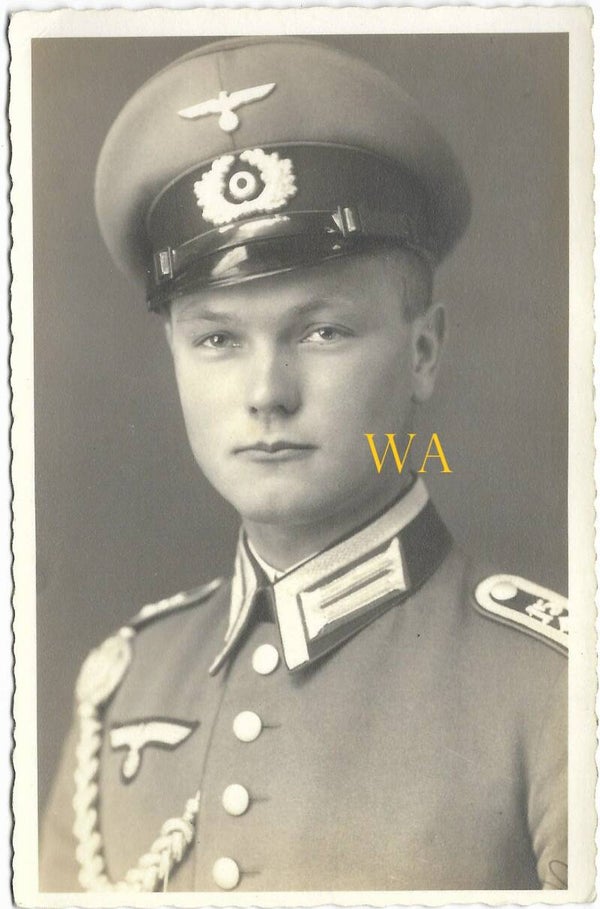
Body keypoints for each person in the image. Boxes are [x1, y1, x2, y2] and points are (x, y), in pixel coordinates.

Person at [39, 36, 568, 894]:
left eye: (322, 331)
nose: (267, 394)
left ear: (424, 352)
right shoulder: (125, 682)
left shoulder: (554, 689)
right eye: (217, 339)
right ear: (173, 354)